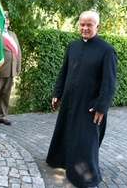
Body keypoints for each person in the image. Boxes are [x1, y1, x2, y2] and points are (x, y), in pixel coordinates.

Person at [46, 11, 118, 188]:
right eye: (82, 24)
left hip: (90, 106)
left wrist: (102, 107)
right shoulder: (72, 46)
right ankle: (61, 160)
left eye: (89, 25)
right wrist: (57, 92)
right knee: (65, 131)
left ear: (97, 27)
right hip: (70, 101)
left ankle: (85, 177)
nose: (85, 28)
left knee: (85, 141)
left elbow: (109, 82)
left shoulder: (107, 50)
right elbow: (64, 72)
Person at [0, 11, 21, 125]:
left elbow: (18, 51)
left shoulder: (13, 35)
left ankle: (2, 115)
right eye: (3, 20)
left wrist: (18, 67)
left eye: (7, 20)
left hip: (11, 69)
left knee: (5, 94)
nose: (6, 21)